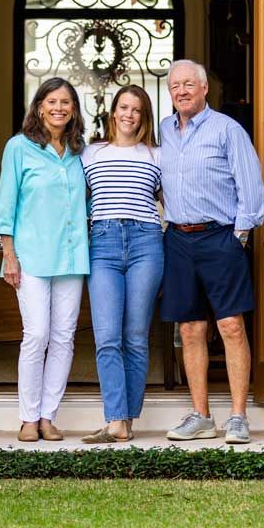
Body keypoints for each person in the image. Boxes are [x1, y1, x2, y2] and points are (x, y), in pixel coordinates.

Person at [159, 59, 264, 444]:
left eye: (189, 84)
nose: (182, 91)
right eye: (175, 86)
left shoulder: (227, 129)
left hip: (219, 237)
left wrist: (237, 236)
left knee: (231, 326)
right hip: (179, 240)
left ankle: (238, 417)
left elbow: (250, 186)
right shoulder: (164, 131)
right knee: (190, 329)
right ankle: (201, 415)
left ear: (205, 89)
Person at [0, 77, 89, 443]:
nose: (59, 108)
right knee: (36, 335)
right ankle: (28, 417)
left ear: (74, 110)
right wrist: (9, 255)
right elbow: (7, 205)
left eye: (66, 102)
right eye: (52, 101)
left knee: (64, 338)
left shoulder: (81, 151)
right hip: (31, 257)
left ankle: (49, 416)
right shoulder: (18, 147)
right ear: (38, 106)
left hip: (71, 256)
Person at [79, 85, 164, 444]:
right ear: (113, 112)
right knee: (107, 337)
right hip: (103, 243)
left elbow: (173, 201)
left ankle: (123, 421)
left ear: (144, 117)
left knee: (135, 337)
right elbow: (70, 199)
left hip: (147, 241)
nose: (129, 115)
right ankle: (116, 418)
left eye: (137, 110)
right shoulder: (90, 154)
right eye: (124, 108)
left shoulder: (157, 155)